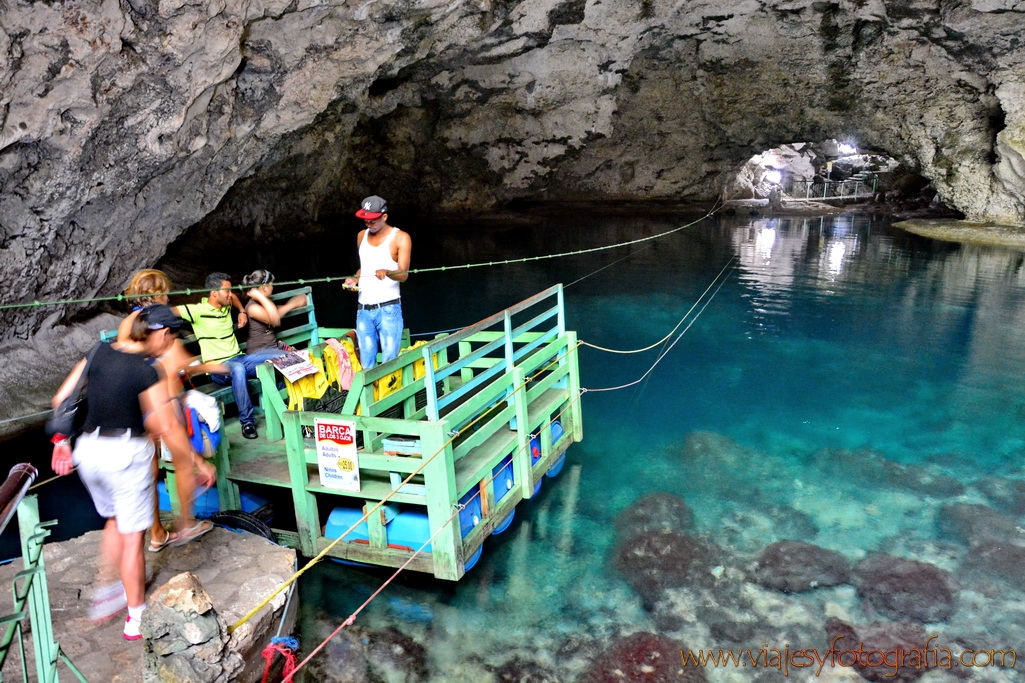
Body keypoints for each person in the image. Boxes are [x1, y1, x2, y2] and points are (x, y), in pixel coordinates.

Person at [50, 305, 207, 640]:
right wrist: (198, 461)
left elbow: (61, 397)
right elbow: (165, 426)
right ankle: (135, 616)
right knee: (134, 539)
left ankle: (107, 592)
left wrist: (60, 441)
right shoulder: (147, 371)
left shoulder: (98, 350)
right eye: (173, 335)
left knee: (115, 521)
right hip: (125, 455)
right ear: (162, 334)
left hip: (88, 453)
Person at [116, 269, 216, 552]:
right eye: (165, 293)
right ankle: (186, 524)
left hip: (134, 404)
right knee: (184, 461)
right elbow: (172, 368)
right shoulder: (158, 324)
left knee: (147, 471)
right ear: (158, 293)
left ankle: (157, 532)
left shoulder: (128, 323)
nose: (167, 297)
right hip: (159, 403)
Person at [174, 273, 262, 439]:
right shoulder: (197, 311)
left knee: (273, 358)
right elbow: (171, 312)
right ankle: (247, 422)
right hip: (218, 368)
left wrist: (242, 311)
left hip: (240, 358)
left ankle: (288, 410)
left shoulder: (226, 304)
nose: (230, 294)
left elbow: (234, 297)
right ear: (214, 293)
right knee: (238, 369)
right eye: (226, 291)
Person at [343, 195, 412, 369]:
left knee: (389, 362)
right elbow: (364, 268)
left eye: (373, 221)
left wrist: (388, 273)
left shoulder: (401, 238)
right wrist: (354, 279)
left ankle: (389, 396)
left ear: (384, 216)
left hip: (388, 309)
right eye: (365, 220)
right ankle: (370, 396)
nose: (368, 224)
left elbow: (404, 275)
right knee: (366, 363)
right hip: (364, 309)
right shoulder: (361, 235)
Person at [242, 269, 308, 352]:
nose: (272, 288)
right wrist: (260, 296)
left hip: (272, 348)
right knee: (294, 358)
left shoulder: (267, 305)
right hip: (259, 352)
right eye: (271, 285)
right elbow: (275, 320)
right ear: (264, 287)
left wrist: (287, 307)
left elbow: (303, 298)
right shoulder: (252, 307)